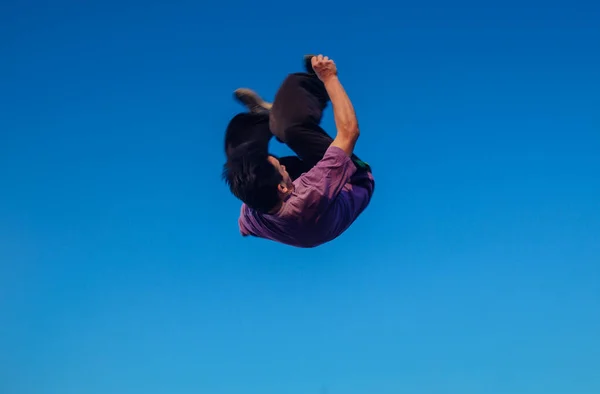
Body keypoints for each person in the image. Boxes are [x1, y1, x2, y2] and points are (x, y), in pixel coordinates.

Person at [222, 54, 375, 248]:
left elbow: (243, 227)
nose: (284, 164)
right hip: (352, 180)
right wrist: (329, 78)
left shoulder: (252, 215)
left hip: (303, 216)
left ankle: (265, 117)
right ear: (283, 188)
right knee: (290, 130)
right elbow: (349, 132)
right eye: (282, 167)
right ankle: (313, 89)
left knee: (240, 158)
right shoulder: (312, 193)